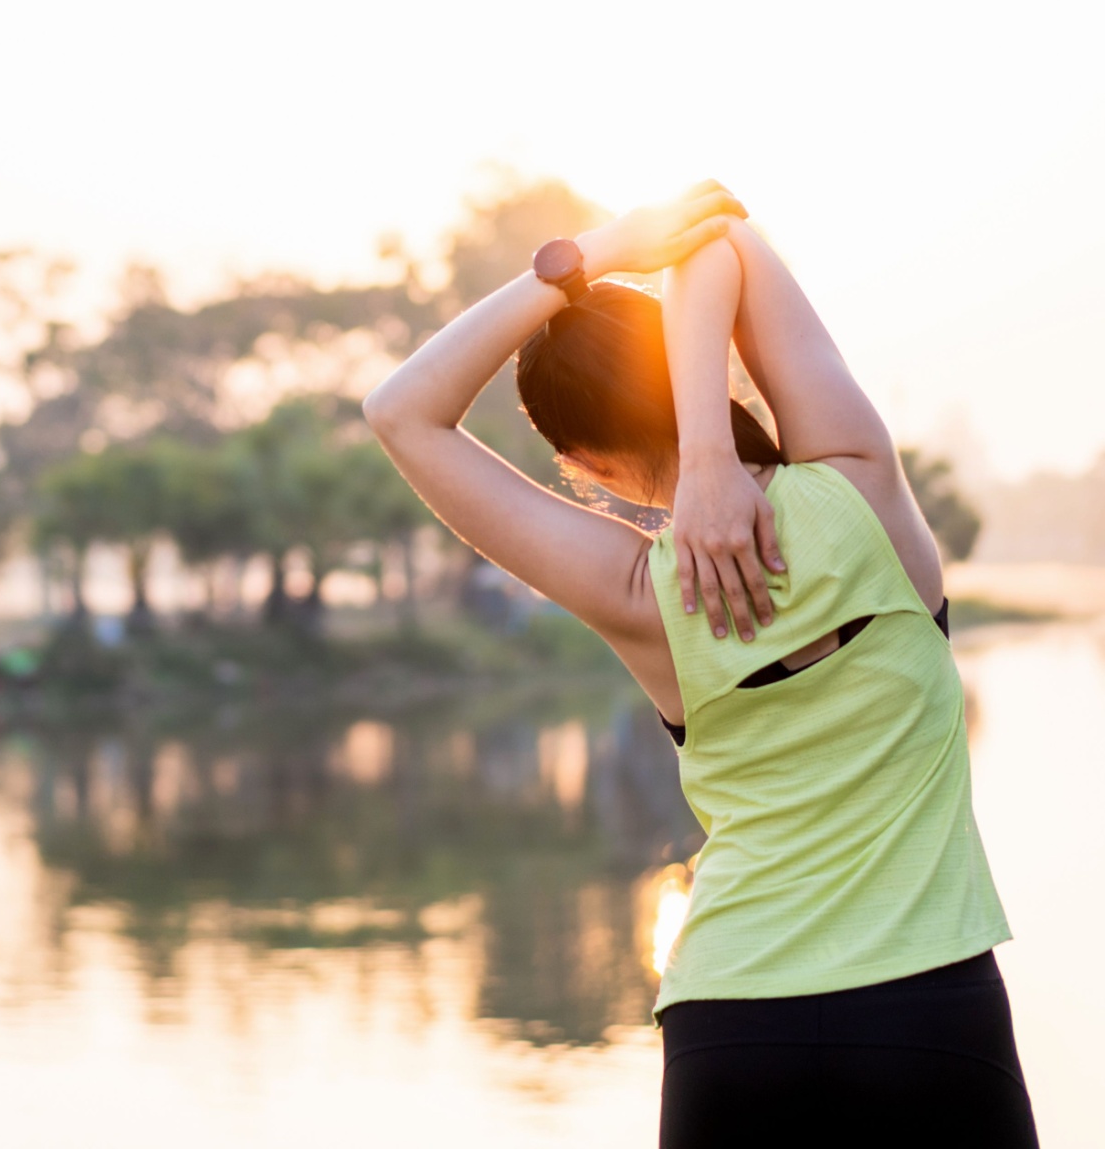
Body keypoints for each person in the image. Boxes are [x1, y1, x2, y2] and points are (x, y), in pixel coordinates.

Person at [362, 182, 1039, 1147]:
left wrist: (587, 254)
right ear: (710, 375)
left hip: (732, 1031)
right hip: (927, 1013)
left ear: (585, 465)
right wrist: (713, 448)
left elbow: (401, 412)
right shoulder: (861, 489)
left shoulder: (639, 592)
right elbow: (719, 234)